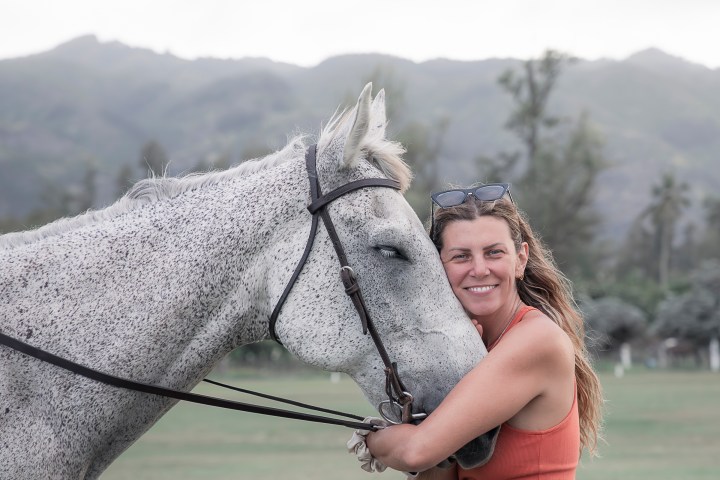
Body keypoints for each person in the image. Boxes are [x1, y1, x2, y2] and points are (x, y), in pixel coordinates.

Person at [355, 183, 603, 479]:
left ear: (520, 259)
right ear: (437, 266)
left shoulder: (537, 340)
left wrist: (375, 438)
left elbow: (414, 452)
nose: (480, 269)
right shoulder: (472, 350)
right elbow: (434, 469)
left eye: (494, 253)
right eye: (461, 256)